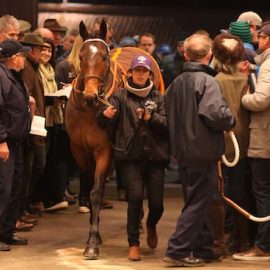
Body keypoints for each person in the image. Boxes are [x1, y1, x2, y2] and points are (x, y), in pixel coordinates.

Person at [163, 34, 235, 267]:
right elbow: (214, 113)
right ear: (209, 55)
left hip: (183, 152)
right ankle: (177, 250)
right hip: (202, 151)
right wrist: (230, 119)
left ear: (185, 54)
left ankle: (203, 249)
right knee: (198, 202)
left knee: (198, 200)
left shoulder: (176, 83)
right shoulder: (207, 81)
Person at [97, 55, 169, 261]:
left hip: (155, 157)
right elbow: (101, 120)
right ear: (129, 73)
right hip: (130, 157)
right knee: (135, 197)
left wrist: (151, 117)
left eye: (144, 71)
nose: (140, 74)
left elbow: (167, 125)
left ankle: (151, 224)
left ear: (150, 74)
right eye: (137, 70)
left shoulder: (158, 97)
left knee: (157, 204)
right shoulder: (120, 95)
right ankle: (134, 243)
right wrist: (106, 115)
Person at [212, 33, 255, 254]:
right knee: (242, 192)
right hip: (247, 144)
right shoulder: (248, 80)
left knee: (223, 194)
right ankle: (243, 240)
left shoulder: (216, 80)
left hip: (224, 146)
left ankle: (225, 239)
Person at [232, 22, 270, 261]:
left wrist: (243, 97)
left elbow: (261, 100)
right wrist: (254, 68)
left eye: (262, 36)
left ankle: (264, 246)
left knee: (263, 192)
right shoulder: (263, 64)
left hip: (264, 138)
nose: (258, 40)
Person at [0, 39, 34, 251]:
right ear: (14, 58)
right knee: (3, 189)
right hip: (6, 143)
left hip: (17, 142)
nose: (25, 59)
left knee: (14, 188)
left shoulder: (13, 75)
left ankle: (6, 232)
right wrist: (1, 140)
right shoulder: (1, 76)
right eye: (23, 55)